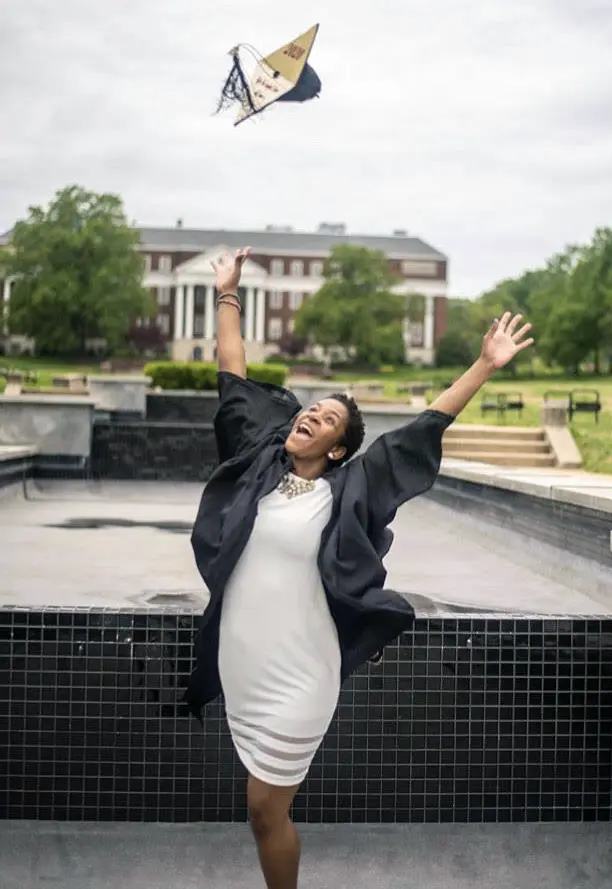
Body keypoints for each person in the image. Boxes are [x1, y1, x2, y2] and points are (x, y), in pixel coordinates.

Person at [185, 248, 533, 889]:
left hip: (301, 672)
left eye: (326, 419)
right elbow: (234, 380)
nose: (309, 416)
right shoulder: (260, 463)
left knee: (266, 806)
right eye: (308, 409)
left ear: (338, 447)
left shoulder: (349, 490)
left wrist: (484, 365)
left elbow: (423, 428)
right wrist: (228, 294)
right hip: (245, 661)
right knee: (259, 810)